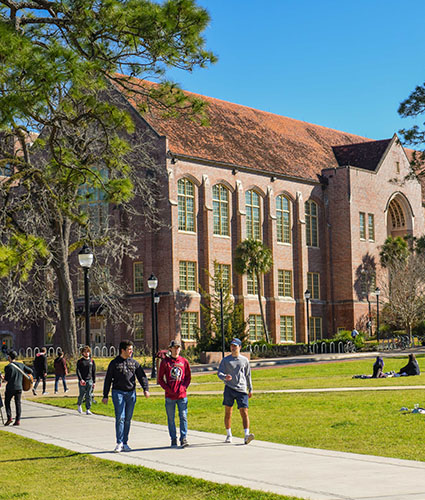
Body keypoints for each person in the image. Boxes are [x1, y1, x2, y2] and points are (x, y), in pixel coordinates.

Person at [102, 340, 150, 453]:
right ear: (122, 350)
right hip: (118, 392)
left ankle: (125, 442)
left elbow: (142, 376)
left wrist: (145, 389)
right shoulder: (114, 363)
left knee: (128, 419)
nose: (131, 351)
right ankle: (119, 443)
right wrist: (105, 395)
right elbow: (108, 379)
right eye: (129, 349)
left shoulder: (134, 363)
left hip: (131, 393)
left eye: (131, 349)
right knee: (120, 417)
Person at [217, 338, 254, 445]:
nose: (233, 348)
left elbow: (248, 375)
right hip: (229, 388)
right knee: (228, 412)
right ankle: (229, 434)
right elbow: (219, 373)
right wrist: (225, 377)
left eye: (235, 346)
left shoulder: (244, 360)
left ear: (240, 347)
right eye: (232, 346)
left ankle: (247, 435)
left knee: (244, 412)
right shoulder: (225, 360)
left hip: (242, 390)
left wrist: (250, 388)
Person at [158, 339, 191, 448]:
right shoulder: (165, 362)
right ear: (170, 349)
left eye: (178, 348)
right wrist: (167, 389)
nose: (176, 350)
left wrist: (183, 387)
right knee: (171, 418)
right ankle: (173, 438)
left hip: (181, 395)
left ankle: (183, 438)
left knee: (183, 416)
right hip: (170, 396)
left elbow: (188, 377)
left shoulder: (184, 361)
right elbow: (160, 379)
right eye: (174, 348)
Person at [3, 350, 33, 426]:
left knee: (7, 402)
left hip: (10, 387)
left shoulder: (8, 367)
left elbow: (6, 379)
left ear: (9, 357)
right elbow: (30, 371)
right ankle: (18, 420)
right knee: (18, 403)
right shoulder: (21, 365)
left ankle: (9, 417)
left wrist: (2, 377)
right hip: (19, 387)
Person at [76, 345, 96, 414]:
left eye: (88, 352)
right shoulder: (80, 361)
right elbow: (78, 371)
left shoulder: (92, 361)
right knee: (82, 394)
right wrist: (81, 379)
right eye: (85, 352)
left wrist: (94, 382)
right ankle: (79, 404)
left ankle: (88, 408)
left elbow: (93, 371)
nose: (87, 353)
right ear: (83, 353)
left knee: (89, 395)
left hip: (89, 380)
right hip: (83, 380)